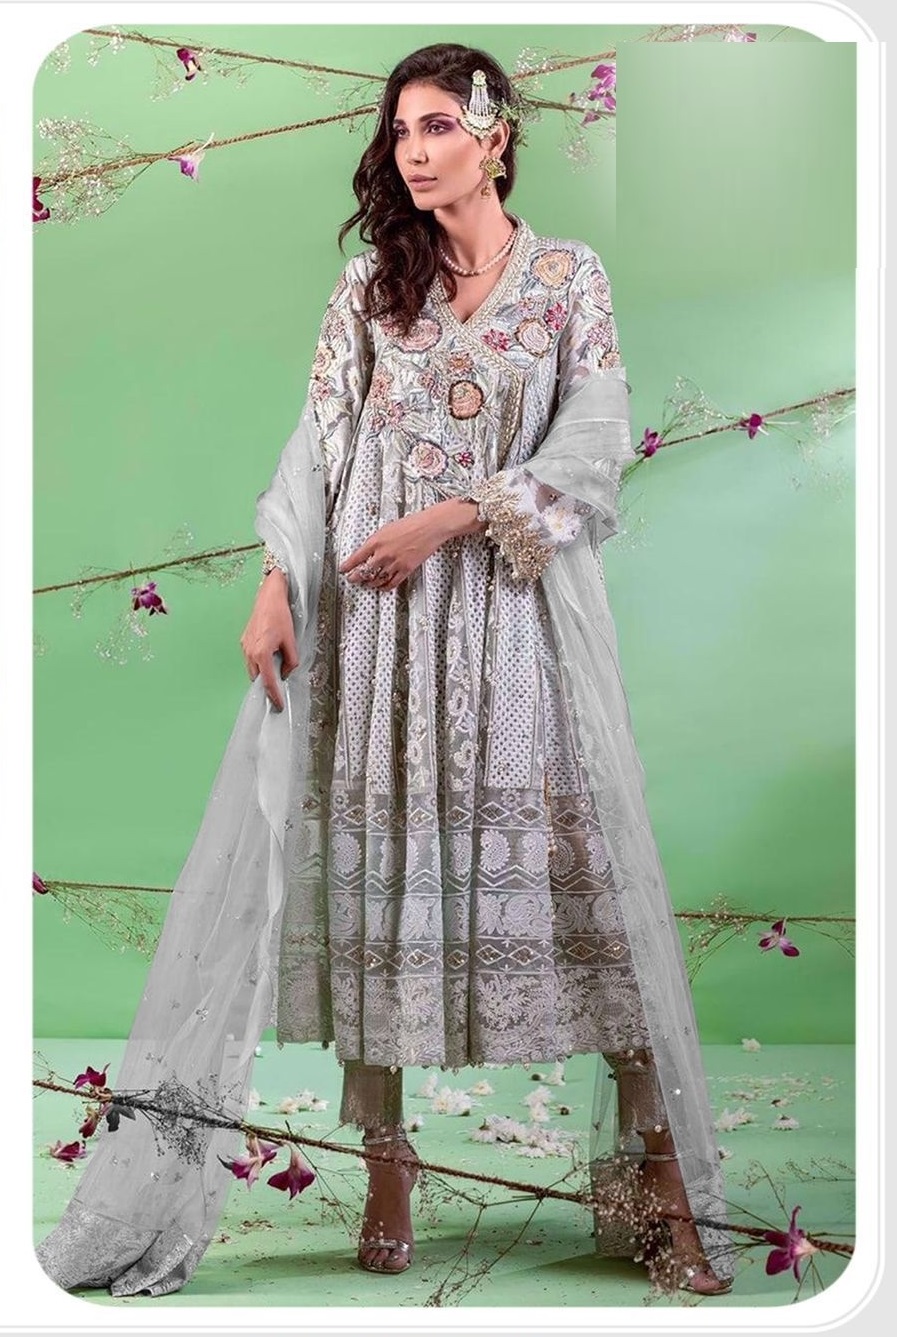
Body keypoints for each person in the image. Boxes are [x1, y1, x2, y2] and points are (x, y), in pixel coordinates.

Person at [36, 43, 733, 1299]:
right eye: (401, 129)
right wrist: (274, 580)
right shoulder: (372, 283)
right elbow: (318, 442)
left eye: (438, 125)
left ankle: (661, 1176)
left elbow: (594, 444)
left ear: (496, 137)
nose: (414, 151)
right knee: (378, 880)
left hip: (510, 618)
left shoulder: (569, 279)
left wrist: (451, 517)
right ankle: (389, 1159)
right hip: (373, 624)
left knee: (581, 883)